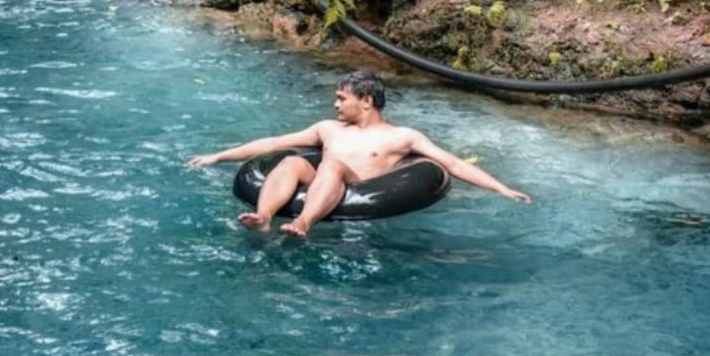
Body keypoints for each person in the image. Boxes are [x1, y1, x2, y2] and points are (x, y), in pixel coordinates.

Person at [188, 70, 532, 237]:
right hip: (322, 176)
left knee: (333, 164)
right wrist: (219, 156)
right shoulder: (328, 129)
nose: (335, 104)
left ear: (366, 101)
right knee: (293, 160)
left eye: (342, 98)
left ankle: (303, 223)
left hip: (358, 185)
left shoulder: (402, 136)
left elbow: (452, 163)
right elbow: (274, 143)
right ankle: (264, 217)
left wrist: (502, 189)